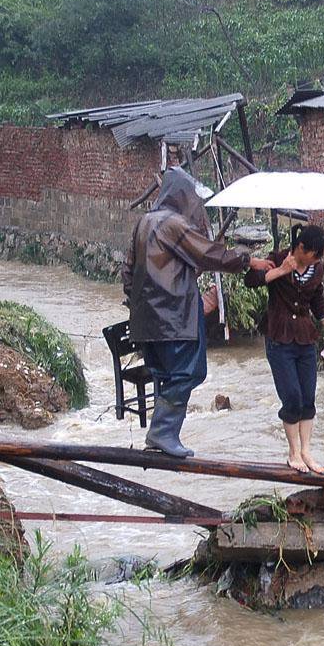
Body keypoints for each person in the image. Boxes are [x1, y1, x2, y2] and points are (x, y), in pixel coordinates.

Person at [122, 166, 274, 458]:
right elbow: (207, 253)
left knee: (168, 374)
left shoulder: (144, 222)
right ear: (182, 196)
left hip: (147, 322)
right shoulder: (173, 224)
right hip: (175, 317)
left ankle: (161, 434)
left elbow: (128, 271)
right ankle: (163, 432)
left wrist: (138, 305)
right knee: (190, 371)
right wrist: (247, 260)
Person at [244, 223, 324, 473]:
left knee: (308, 397)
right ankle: (293, 452)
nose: (316, 260)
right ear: (300, 247)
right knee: (292, 398)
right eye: (314, 254)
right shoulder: (277, 258)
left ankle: (307, 451)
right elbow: (250, 281)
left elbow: (317, 300)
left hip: (305, 340)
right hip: (279, 340)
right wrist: (280, 270)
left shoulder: (315, 269)